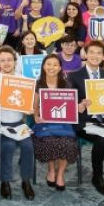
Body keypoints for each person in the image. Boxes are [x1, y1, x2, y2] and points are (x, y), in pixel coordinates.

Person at [71, 40, 104, 196]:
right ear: (86, 54)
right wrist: (79, 105)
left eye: (99, 53)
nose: (95, 56)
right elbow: (70, 102)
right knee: (101, 142)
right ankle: (97, 177)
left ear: (103, 57)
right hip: (84, 121)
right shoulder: (75, 76)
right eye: (92, 52)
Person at [0, 46, 35, 200]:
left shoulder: (23, 81)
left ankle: (26, 181)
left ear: (15, 61)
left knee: (28, 147)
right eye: (2, 60)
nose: (6, 63)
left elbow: (27, 107)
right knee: (7, 146)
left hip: (19, 124)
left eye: (9, 60)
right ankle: (5, 182)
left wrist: (29, 109)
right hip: (1, 126)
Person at [32, 54, 80, 191]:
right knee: (49, 141)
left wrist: (79, 106)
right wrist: (35, 116)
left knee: (68, 143)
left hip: (63, 124)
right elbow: (34, 106)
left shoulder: (66, 84)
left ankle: (60, 174)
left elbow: (71, 105)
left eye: (55, 65)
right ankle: (51, 170)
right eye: (48, 64)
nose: (51, 67)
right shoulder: (38, 84)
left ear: (60, 68)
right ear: (43, 66)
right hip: (44, 123)